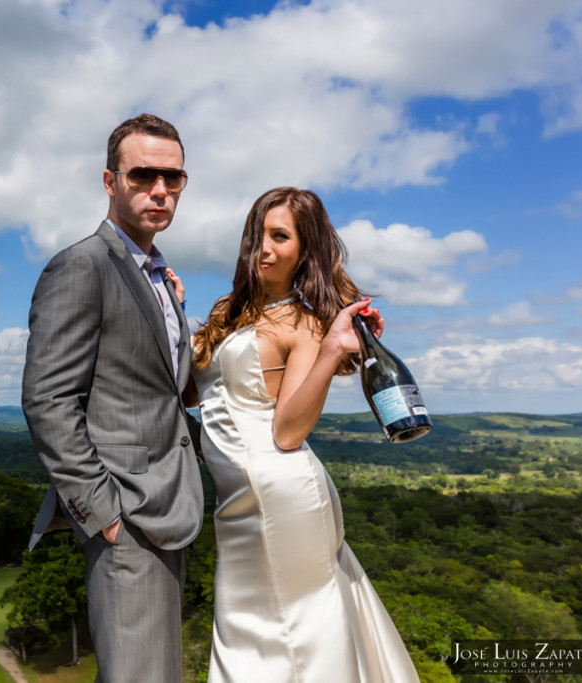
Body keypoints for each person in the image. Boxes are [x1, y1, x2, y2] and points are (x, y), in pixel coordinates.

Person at [188, 187, 419, 682]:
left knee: (296, 639)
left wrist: (335, 347)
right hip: (237, 499)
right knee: (246, 635)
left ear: (304, 250)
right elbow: (191, 393)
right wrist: (169, 304)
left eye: (279, 237)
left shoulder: (306, 323)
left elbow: (289, 430)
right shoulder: (230, 309)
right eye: (257, 236)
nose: (263, 249)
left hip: (281, 495)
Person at [22, 114, 204, 682]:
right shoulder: (82, 265)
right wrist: (102, 512)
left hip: (172, 508)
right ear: (109, 181)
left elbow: (167, 389)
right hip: (125, 514)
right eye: (143, 175)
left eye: (173, 178)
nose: (160, 190)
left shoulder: (157, 275)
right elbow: (48, 398)